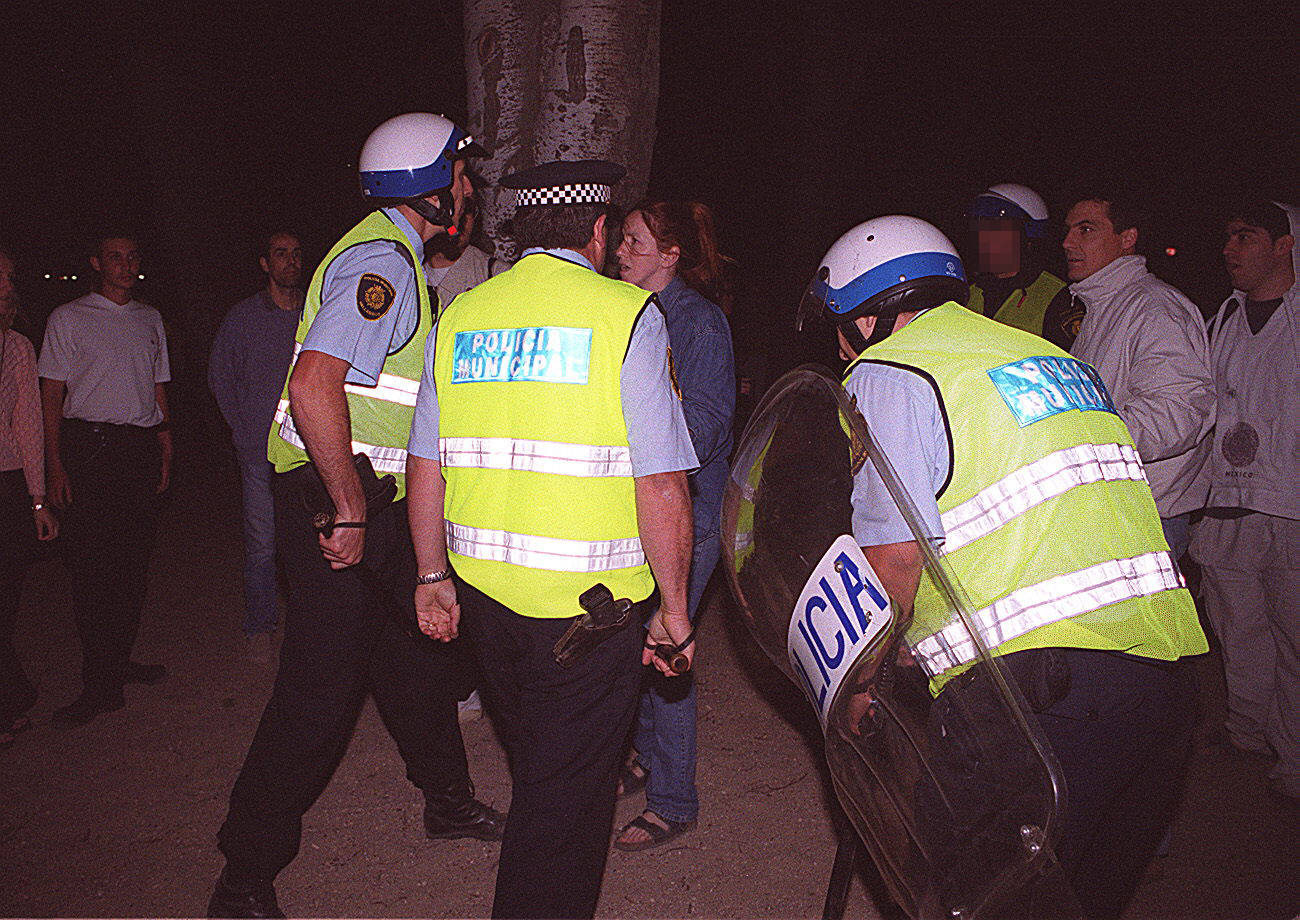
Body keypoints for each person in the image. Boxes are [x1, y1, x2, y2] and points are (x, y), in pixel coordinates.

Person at [803, 215, 1208, 919]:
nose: (839, 350)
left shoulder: (892, 371)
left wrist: (860, 683)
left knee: (965, 895)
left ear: (866, 319)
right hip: (1160, 682)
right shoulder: (1053, 361)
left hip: (1033, 693)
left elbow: (893, 557)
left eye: (836, 328)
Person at [207, 114, 502, 920]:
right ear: (430, 186)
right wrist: (346, 508)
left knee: (415, 658)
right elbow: (313, 385)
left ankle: (446, 799)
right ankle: (243, 878)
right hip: (344, 503)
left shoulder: (390, 251)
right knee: (317, 695)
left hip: (378, 500)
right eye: (460, 174)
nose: (468, 188)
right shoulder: (383, 263)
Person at [406, 159, 698, 919]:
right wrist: (674, 608)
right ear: (599, 231)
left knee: (541, 772)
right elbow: (662, 483)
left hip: (487, 605)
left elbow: (424, 463)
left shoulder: (460, 315)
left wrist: (431, 575)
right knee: (564, 814)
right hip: (588, 619)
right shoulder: (625, 316)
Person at [612, 200, 735, 851]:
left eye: (634, 242)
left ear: (670, 254)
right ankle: (641, 758)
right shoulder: (629, 313)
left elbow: (710, 423)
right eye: (623, 240)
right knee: (634, 637)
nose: (621, 251)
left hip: (691, 514)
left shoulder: (698, 323)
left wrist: (632, 449)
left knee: (667, 647)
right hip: (645, 508)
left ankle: (673, 801)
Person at [38, 233, 171, 727]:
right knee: (93, 571)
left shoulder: (149, 318)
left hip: (136, 447)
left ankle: (119, 659)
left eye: (133, 256)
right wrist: (53, 465)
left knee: (133, 564)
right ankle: (98, 683)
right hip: (89, 449)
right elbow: (51, 394)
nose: (125, 265)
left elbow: (158, 384)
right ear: (96, 263)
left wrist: (165, 439)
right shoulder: (68, 318)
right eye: (115, 257)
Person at [1190, 198, 1299, 802]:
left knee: (1294, 637)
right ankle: (1248, 731)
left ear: (1284, 245)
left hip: (1290, 506)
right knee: (1239, 630)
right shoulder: (1222, 320)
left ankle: (1295, 757)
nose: (1230, 249)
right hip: (1228, 501)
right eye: (1228, 236)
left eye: (1245, 236)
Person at [1063, 192, 1215, 561]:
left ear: (1127, 238)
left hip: (1145, 517)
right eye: (1068, 231)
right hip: (1114, 509)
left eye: (1086, 229)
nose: (1068, 242)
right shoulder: (1104, 308)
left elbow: (1179, 411)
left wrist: (1075, 437)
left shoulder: (1154, 307)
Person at [208, 231, 304, 659]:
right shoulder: (243, 317)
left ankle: (310, 628)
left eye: (296, 254)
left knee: (309, 545)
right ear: (265, 263)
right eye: (280, 254)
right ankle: (260, 624)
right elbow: (220, 377)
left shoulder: (314, 314)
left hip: (308, 454)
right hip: (259, 454)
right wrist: (244, 430)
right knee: (263, 543)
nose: (290, 261)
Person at [1, 247, 58, 747]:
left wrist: (37, 499)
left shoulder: (16, 345)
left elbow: (27, 423)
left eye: (10, 276)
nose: (7, 285)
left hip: (6, 482)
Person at [965, 183, 1078, 349]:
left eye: (998, 232)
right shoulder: (970, 294)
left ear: (1028, 238)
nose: (986, 241)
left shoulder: (1058, 297)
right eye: (981, 232)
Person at [423, 190, 510, 308]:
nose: (458, 219)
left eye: (466, 209)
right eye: (450, 210)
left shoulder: (497, 275)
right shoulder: (408, 271)